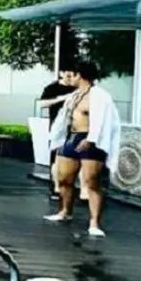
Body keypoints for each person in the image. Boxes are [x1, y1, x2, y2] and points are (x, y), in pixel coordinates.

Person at [47, 60, 120, 238]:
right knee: (63, 178)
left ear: (81, 76)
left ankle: (94, 222)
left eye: (73, 75)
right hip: (73, 137)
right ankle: (65, 211)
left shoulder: (101, 96)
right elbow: (64, 118)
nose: (69, 78)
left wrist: (91, 139)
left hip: (91, 140)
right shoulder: (75, 95)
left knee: (91, 181)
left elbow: (105, 121)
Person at [37, 70, 77, 198]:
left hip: (75, 128)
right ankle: (55, 187)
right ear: (61, 73)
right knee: (56, 157)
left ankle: (70, 186)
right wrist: (60, 99)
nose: (70, 76)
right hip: (57, 128)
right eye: (67, 74)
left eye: (73, 74)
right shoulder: (52, 88)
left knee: (73, 158)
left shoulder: (77, 87)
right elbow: (41, 104)